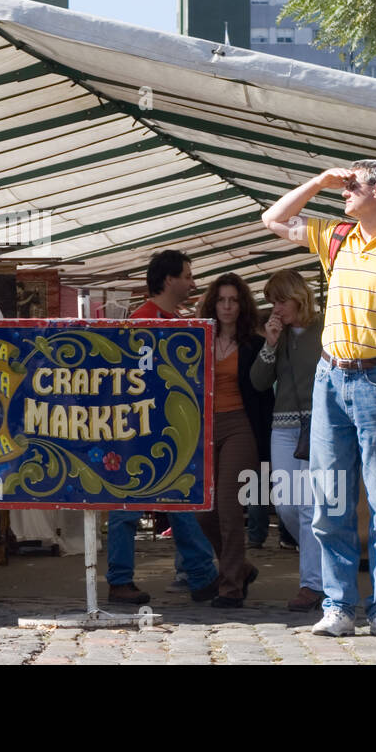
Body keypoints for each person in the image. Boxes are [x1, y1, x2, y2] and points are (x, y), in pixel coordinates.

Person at [261, 159, 376, 639]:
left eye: (350, 185)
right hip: (330, 378)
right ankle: (338, 605)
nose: (342, 191)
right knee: (328, 500)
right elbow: (272, 219)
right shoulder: (335, 235)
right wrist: (318, 180)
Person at [106, 249, 221, 605]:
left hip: (160, 427)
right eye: (187, 275)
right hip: (141, 427)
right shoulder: (146, 319)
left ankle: (201, 573)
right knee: (130, 506)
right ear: (169, 280)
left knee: (175, 502)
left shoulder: (165, 318)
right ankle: (125, 579)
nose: (192, 283)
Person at [195, 272, 272, 607]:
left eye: (233, 300)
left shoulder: (253, 344)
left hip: (240, 425)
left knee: (228, 506)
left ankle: (230, 587)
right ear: (213, 303)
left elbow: (262, 388)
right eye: (222, 300)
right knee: (203, 511)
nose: (227, 306)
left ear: (242, 305)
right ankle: (239, 568)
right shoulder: (198, 339)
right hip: (204, 428)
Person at [249, 269, 324, 611]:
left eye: (280, 300)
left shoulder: (324, 327)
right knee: (284, 504)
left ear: (298, 296)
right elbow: (259, 382)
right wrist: (270, 344)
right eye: (271, 302)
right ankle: (320, 571)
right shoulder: (275, 335)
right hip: (283, 426)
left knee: (309, 507)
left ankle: (313, 584)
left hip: (318, 424)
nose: (276, 308)